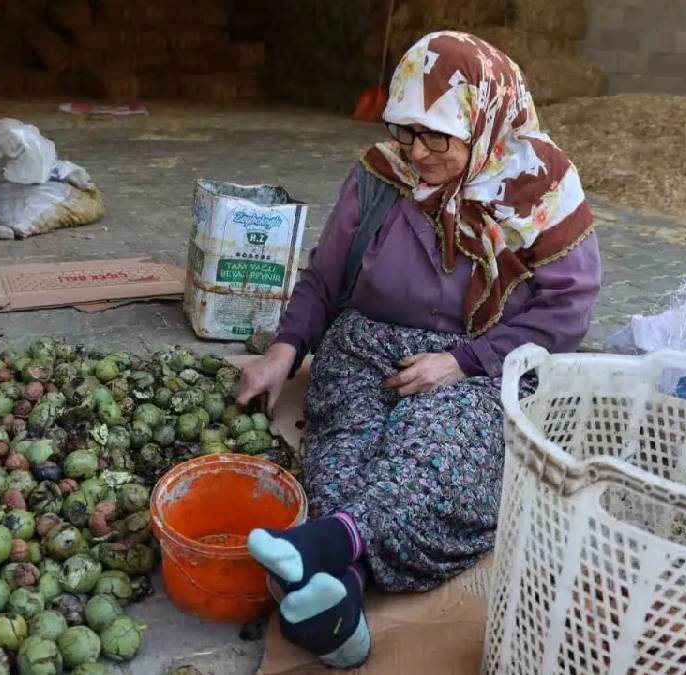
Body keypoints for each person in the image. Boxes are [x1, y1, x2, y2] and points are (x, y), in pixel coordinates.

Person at [235, 31, 602, 668]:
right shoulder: (380, 176)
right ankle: (341, 602)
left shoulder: (539, 188)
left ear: (484, 122)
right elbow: (325, 277)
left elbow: (567, 311)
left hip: (482, 359)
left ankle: (331, 547)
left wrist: (461, 363)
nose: (416, 152)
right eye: (405, 130)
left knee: (438, 449)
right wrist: (285, 349)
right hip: (367, 344)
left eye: (437, 137)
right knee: (345, 443)